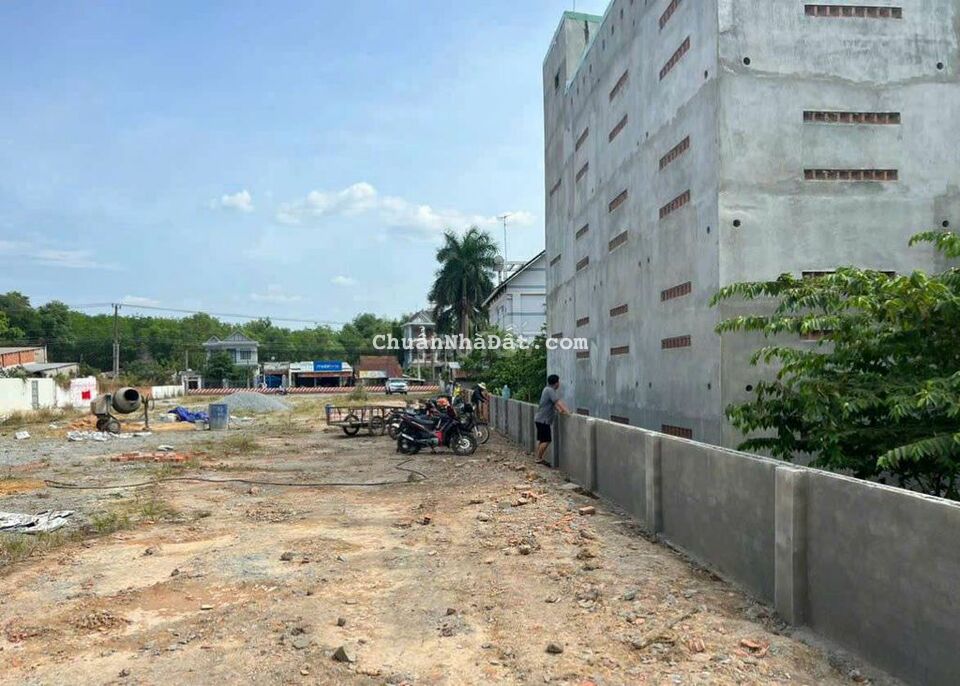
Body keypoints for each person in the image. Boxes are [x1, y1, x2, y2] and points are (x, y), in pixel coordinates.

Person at [534, 374, 570, 465]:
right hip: (543, 420)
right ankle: (538, 458)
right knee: (546, 440)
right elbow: (558, 402)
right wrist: (568, 412)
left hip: (540, 419)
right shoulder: (550, 390)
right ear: (556, 383)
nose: (559, 384)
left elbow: (553, 404)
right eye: (558, 382)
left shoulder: (547, 389)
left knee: (542, 440)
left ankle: (538, 457)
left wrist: (560, 410)